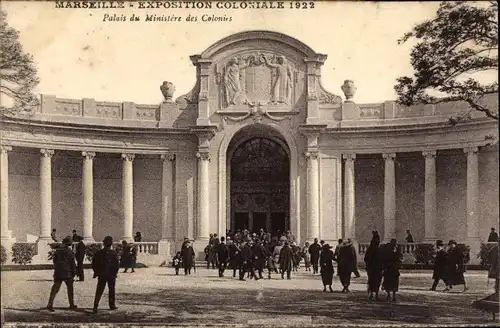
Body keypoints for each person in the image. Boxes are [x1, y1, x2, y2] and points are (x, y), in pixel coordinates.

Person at [46, 236, 77, 312]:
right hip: (68, 273)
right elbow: (73, 264)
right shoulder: (70, 252)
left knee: (55, 289)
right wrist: (74, 272)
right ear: (69, 244)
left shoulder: (58, 251)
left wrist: (57, 269)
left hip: (58, 272)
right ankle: (71, 304)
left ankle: (50, 304)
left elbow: (55, 262)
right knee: (70, 290)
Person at [92, 236, 119, 314]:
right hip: (111, 275)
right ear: (111, 244)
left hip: (102, 274)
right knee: (111, 291)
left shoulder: (99, 253)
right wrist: (115, 273)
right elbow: (116, 265)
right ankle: (112, 305)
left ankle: (95, 306)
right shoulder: (113, 253)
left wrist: (96, 272)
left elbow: (94, 264)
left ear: (104, 244)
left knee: (99, 291)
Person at [364, 234, 383, 300]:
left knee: (373, 281)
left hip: (374, 268)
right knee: (375, 281)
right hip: (374, 268)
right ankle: (373, 294)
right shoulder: (376, 249)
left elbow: (366, 258)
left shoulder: (372, 249)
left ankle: (373, 294)